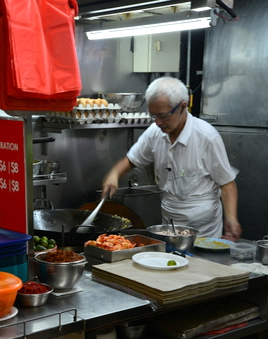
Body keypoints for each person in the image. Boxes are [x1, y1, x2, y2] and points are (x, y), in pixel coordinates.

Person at [102, 77, 241, 240]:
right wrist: (114, 174)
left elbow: (227, 183)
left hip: (204, 228)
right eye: (153, 115)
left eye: (163, 116)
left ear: (182, 107)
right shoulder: (155, 131)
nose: (158, 122)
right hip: (170, 223)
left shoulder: (206, 137)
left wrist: (231, 218)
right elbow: (132, 159)